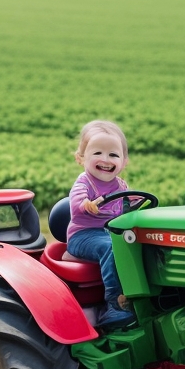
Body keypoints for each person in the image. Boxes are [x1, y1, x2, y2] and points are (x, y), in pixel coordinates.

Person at [66, 119, 135, 328]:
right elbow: (77, 201)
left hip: (109, 232)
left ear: (124, 162)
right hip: (84, 235)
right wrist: (86, 204)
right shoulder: (84, 182)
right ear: (81, 158)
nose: (106, 159)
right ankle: (114, 304)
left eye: (113, 154)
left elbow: (128, 206)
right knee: (111, 247)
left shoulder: (121, 185)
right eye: (97, 153)